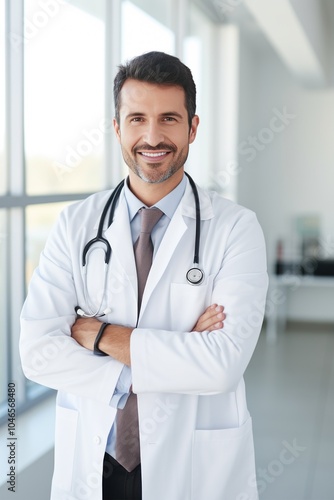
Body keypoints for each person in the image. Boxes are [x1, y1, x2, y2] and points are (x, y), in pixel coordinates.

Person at [20, 51, 268, 500]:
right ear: (117, 127)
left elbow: (221, 365)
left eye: (169, 118)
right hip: (96, 457)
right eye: (137, 118)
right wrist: (173, 352)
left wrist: (97, 335)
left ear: (192, 127)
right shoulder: (75, 224)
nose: (152, 136)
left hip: (191, 463)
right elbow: (36, 351)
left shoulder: (236, 228)